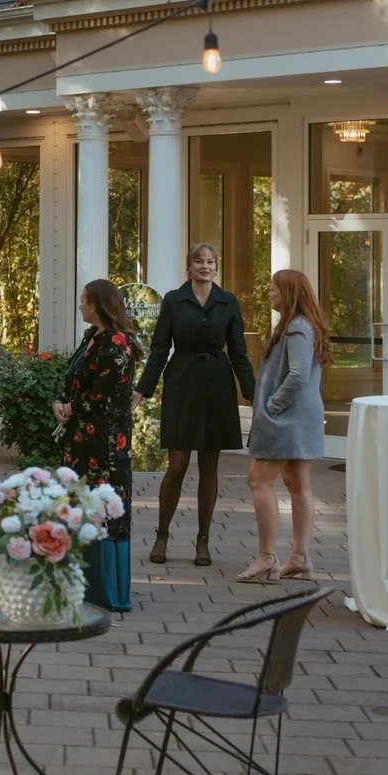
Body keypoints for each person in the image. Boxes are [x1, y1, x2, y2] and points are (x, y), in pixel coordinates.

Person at [134, 243, 256, 568]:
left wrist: (252, 393)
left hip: (217, 384)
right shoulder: (174, 300)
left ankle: (203, 540)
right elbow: (159, 348)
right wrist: (142, 390)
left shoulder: (228, 302)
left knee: (209, 466)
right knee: (177, 463)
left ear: (216, 267)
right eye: (199, 261)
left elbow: (239, 352)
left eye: (210, 261)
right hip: (182, 382)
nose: (204, 266)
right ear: (189, 266)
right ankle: (162, 533)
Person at [54, 278, 142, 613]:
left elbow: (102, 393)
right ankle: (78, 584)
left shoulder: (118, 343)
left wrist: (71, 407)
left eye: (84, 300)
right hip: (80, 438)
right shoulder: (92, 338)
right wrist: (59, 404)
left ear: (99, 305)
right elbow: (73, 381)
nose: (80, 305)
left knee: (104, 506)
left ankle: (106, 589)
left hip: (106, 443)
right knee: (78, 503)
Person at [241, 268, 329, 583]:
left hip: (287, 418)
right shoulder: (302, 326)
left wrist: (270, 406)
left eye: (274, 289)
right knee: (297, 483)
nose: (269, 293)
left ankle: (267, 557)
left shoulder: (297, 329)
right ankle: (300, 558)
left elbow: (297, 376)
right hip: (298, 417)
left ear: (289, 294)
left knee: (258, 479)